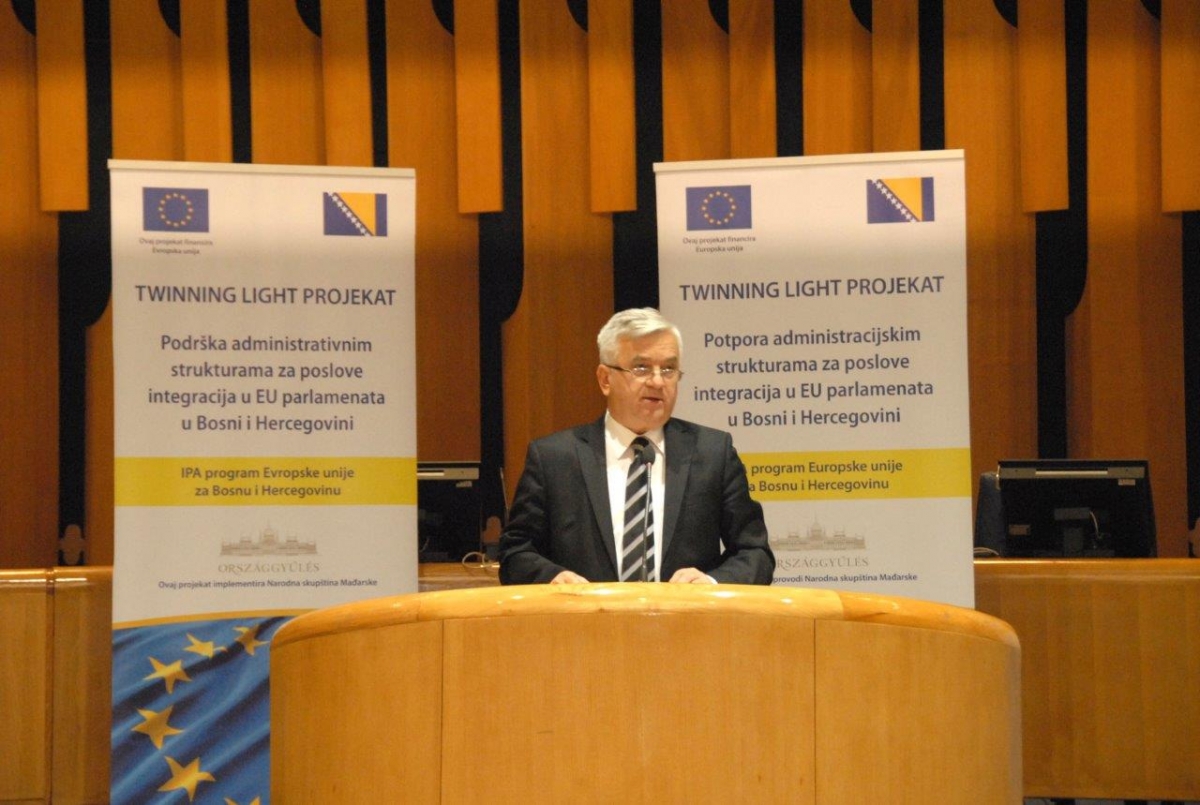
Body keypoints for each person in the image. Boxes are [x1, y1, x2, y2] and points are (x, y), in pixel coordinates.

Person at [499, 308, 774, 585]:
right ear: (605, 379)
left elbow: (755, 553)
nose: (658, 381)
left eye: (668, 369)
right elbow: (515, 552)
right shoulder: (554, 459)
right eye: (641, 368)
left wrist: (711, 583)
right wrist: (553, 578)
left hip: (686, 613)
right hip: (585, 612)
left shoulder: (713, 452)